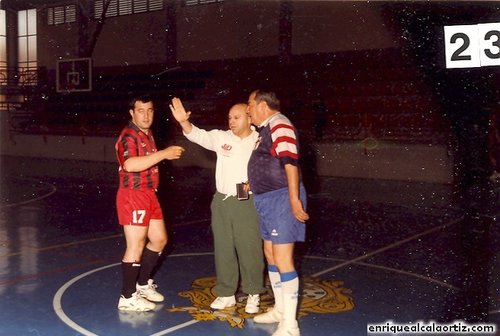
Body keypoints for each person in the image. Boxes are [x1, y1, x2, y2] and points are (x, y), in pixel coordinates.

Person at [169, 97, 265, 314]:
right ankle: (226, 294)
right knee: (223, 248)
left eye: (237, 117)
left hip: (246, 201)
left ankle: (253, 293)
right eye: (229, 117)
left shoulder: (260, 140)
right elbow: (198, 135)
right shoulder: (221, 137)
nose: (231, 121)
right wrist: (184, 122)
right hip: (221, 201)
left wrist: (257, 182)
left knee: (249, 247)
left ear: (250, 118)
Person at [246, 90, 309, 336]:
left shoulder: (280, 124)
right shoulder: (266, 129)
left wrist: (293, 199)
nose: (248, 109)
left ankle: (290, 325)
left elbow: (290, 163)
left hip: (282, 198)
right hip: (266, 199)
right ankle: (280, 309)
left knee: (283, 258)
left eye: (250, 104)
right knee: (270, 254)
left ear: (262, 105)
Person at [115, 94, 185, 311]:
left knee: (159, 240)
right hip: (133, 195)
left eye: (150, 110)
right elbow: (130, 164)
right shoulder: (128, 136)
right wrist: (164, 154)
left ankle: (142, 283)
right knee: (135, 245)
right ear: (132, 113)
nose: (146, 115)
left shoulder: (147, 133)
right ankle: (127, 297)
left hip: (149, 194)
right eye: (141, 111)